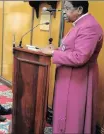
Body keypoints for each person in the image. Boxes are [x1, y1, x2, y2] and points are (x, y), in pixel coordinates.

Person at [40, 1, 103, 133]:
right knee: (64, 114)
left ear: (79, 9)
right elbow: (70, 49)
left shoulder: (89, 26)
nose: (64, 12)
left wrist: (53, 53)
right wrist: (56, 49)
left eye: (67, 8)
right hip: (69, 77)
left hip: (78, 79)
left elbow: (80, 57)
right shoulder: (79, 24)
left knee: (72, 119)